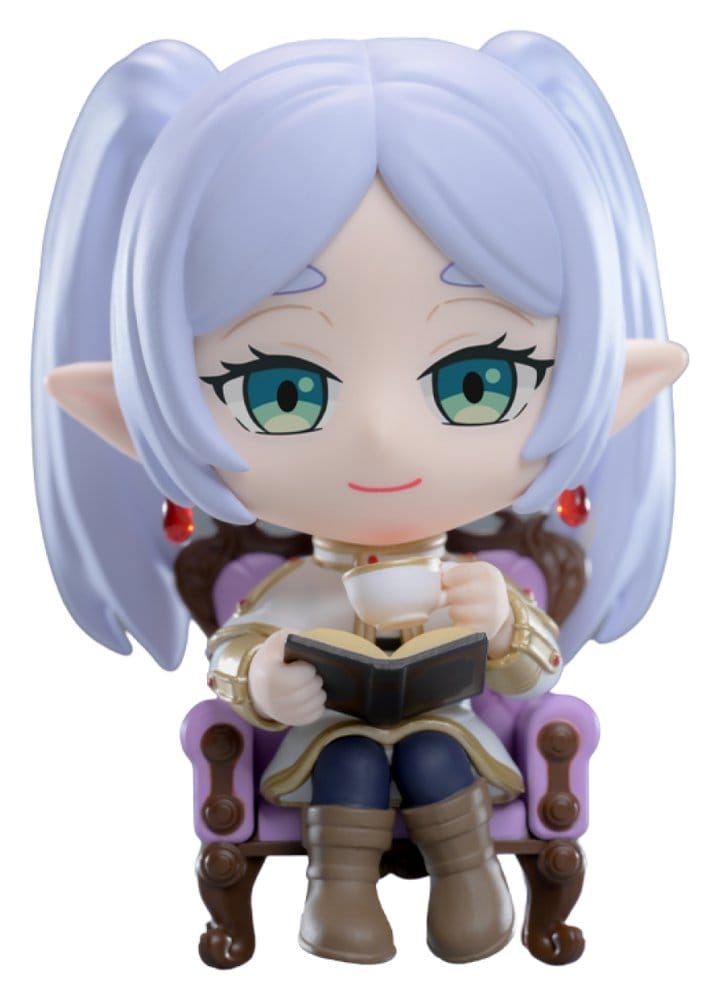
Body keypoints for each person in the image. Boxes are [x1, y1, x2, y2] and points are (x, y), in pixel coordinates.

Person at [32, 33, 687, 965]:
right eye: (280, 390)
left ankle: (470, 882)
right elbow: (236, 651)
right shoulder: (292, 588)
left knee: (434, 753)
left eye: (477, 380)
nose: (380, 434)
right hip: (323, 746)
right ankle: (337, 896)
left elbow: (528, 671)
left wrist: (502, 622)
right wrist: (263, 682)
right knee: (345, 760)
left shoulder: (479, 580)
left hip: (452, 736)